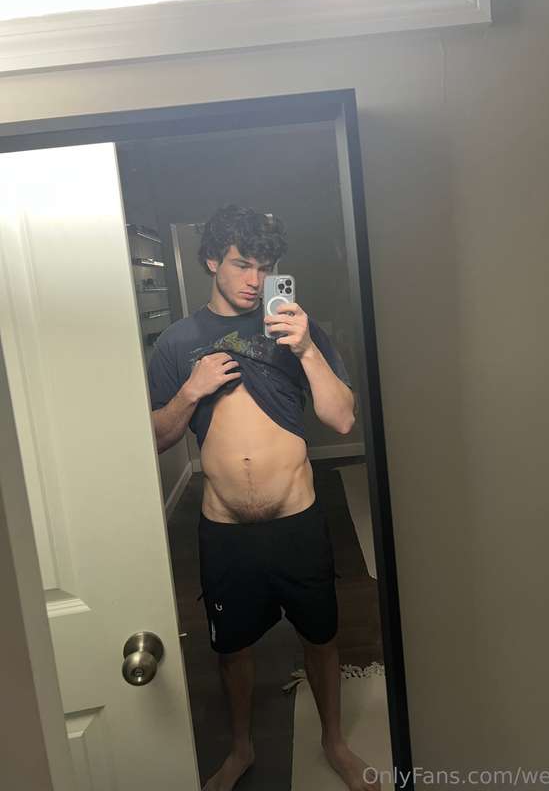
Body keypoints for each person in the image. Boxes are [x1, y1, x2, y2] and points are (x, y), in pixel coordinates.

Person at [148, 205, 379, 791]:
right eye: (241, 264)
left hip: (298, 521)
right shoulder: (177, 342)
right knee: (232, 647)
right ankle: (242, 749)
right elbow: (157, 437)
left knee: (321, 638)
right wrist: (191, 391)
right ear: (211, 261)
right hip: (224, 529)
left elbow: (343, 419)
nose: (255, 280)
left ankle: (334, 742)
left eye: (266, 266)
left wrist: (307, 350)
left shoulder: (297, 328)